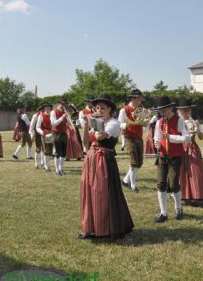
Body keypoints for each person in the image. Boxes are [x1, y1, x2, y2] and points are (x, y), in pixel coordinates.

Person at [79, 94, 134, 239]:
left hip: (104, 160)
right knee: (89, 191)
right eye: (97, 107)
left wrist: (93, 120)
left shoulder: (113, 123)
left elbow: (100, 137)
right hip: (92, 157)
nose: (99, 110)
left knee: (102, 193)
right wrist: (86, 124)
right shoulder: (96, 122)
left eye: (103, 108)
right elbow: (86, 142)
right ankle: (90, 228)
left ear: (110, 109)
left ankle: (105, 228)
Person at [153, 96, 191, 223]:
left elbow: (187, 138)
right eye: (160, 110)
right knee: (161, 184)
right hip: (163, 156)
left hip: (175, 156)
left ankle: (178, 208)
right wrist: (157, 143)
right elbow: (156, 137)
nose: (162, 112)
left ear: (169, 108)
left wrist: (170, 138)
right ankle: (163, 213)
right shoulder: (159, 122)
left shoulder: (179, 120)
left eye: (164, 109)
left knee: (174, 184)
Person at [177, 98, 203, 206]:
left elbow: (201, 137)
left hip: (192, 148)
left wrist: (197, 128)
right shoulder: (178, 121)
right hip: (181, 148)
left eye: (189, 110)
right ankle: (181, 195)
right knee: (181, 171)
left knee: (195, 171)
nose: (187, 112)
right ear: (180, 111)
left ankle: (195, 195)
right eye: (185, 110)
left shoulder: (193, 121)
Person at [118, 89, 145, 193]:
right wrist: (129, 124)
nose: (141, 100)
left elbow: (144, 123)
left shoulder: (140, 109)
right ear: (133, 98)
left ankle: (125, 180)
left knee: (139, 163)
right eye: (139, 98)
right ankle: (132, 185)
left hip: (139, 137)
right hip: (129, 137)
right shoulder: (124, 110)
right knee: (134, 161)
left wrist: (147, 118)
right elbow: (119, 124)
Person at [51, 98, 70, 176]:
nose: (63, 105)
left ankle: (60, 168)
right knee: (57, 152)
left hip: (63, 133)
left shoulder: (65, 112)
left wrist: (69, 119)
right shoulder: (53, 112)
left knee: (64, 153)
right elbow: (54, 124)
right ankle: (57, 170)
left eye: (64, 104)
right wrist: (62, 117)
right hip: (56, 133)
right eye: (62, 103)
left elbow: (67, 124)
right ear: (58, 103)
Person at [36, 103, 54, 172]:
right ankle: (46, 166)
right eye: (46, 107)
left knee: (51, 150)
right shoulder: (41, 116)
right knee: (46, 149)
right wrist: (42, 132)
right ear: (44, 108)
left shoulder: (53, 115)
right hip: (44, 134)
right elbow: (37, 127)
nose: (47, 108)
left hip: (52, 133)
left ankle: (46, 164)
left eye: (48, 107)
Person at [29, 105, 45, 169]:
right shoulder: (35, 116)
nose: (43, 111)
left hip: (45, 134)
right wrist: (32, 135)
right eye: (42, 110)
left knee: (44, 149)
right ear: (39, 110)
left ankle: (42, 162)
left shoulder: (46, 115)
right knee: (38, 148)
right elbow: (31, 126)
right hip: (37, 134)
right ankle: (36, 163)